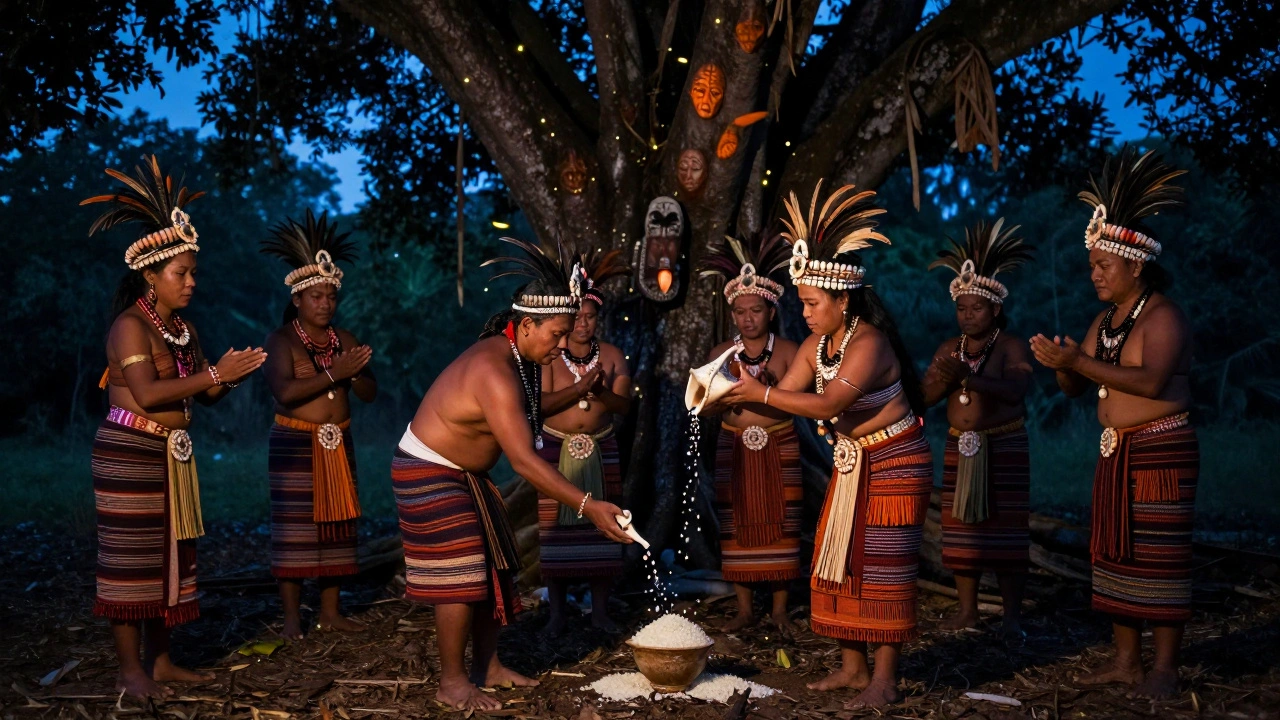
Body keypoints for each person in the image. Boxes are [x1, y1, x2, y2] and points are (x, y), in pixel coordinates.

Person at [391, 237, 632, 711]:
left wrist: (580, 391)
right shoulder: (494, 371)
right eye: (556, 334)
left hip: (464, 475)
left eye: (567, 334)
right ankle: (453, 683)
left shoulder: (518, 358)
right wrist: (588, 505)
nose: (562, 344)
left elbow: (535, 407)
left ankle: (488, 666)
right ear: (525, 325)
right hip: (428, 469)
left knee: (496, 564)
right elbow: (522, 459)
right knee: (463, 569)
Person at [722, 182, 931, 708]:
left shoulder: (869, 343)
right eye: (803, 303)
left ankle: (885, 678)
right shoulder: (817, 344)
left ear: (844, 298)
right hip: (851, 460)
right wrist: (722, 391)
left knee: (881, 563)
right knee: (838, 556)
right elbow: (785, 395)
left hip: (894, 459)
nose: (807, 313)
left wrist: (760, 390)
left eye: (814, 304)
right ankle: (853, 668)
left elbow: (827, 405)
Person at [83, 157, 267, 698]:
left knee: (169, 557)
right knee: (130, 560)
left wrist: (233, 375)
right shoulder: (130, 326)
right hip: (130, 449)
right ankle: (130, 670)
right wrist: (215, 372)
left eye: (193, 273)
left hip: (173, 453)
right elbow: (147, 395)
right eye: (180, 273)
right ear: (150, 276)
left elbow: (203, 395)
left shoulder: (182, 329)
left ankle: (161, 661)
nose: (190, 282)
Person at [1031, 147, 1195, 700]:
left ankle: (1165, 667)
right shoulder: (1104, 319)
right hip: (1114, 449)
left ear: (1136, 265)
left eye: (1104, 265)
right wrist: (1062, 365)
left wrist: (1076, 361)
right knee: (1116, 549)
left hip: (1159, 450)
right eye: (1092, 264)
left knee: (1159, 553)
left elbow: (1150, 382)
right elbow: (1078, 384)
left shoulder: (1163, 315)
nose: (1094, 272)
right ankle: (1127, 660)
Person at [260, 211, 378, 639]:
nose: (325, 303)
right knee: (296, 529)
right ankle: (292, 618)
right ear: (297, 299)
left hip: (338, 441)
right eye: (316, 296)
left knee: (337, 525)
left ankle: (330, 611)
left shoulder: (344, 338)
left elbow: (368, 392)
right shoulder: (281, 340)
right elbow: (285, 393)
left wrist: (352, 373)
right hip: (295, 443)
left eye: (330, 296)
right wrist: (334, 373)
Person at [920, 218, 1034, 638]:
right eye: (961, 308)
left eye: (977, 308)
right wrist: (939, 380)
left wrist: (964, 379)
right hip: (959, 446)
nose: (967, 316)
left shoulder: (1010, 345)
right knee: (960, 530)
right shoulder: (948, 349)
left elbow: (1017, 390)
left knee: (1005, 530)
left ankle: (1011, 618)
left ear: (995, 309)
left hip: (1003, 445)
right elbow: (927, 396)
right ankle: (967, 612)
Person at [695, 232, 802, 633]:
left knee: (783, 520)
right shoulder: (719, 354)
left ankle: (778, 610)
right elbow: (703, 405)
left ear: (770, 311)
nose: (747, 318)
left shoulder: (792, 352)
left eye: (755, 310)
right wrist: (727, 398)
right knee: (736, 521)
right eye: (740, 311)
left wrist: (771, 390)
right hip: (734, 443)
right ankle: (744, 609)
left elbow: (805, 401)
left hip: (780, 441)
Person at [534, 246, 633, 636]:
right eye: (576, 318)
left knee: (604, 530)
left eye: (590, 317)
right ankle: (557, 613)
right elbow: (538, 405)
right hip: (556, 449)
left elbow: (624, 405)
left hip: (602, 447)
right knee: (556, 533)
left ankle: (600, 612)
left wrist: (601, 393)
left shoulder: (611, 355)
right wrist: (580, 390)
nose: (582, 325)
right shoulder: (549, 356)